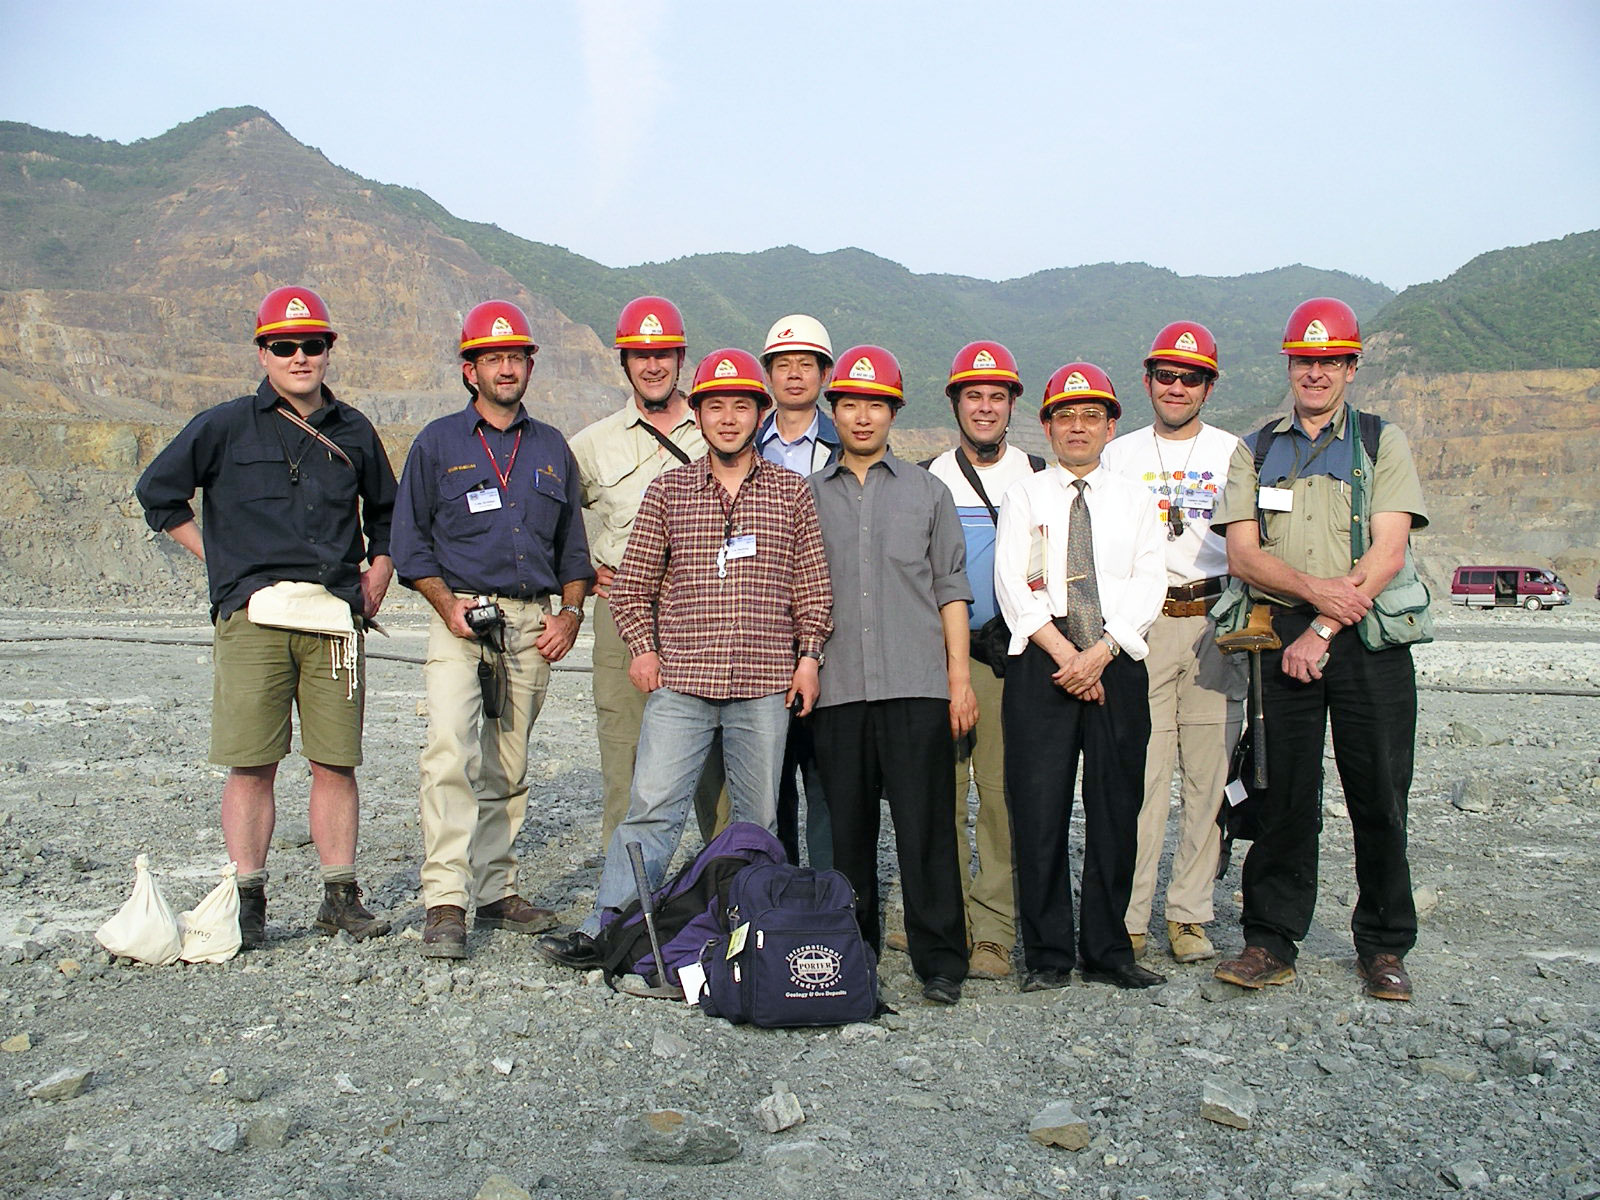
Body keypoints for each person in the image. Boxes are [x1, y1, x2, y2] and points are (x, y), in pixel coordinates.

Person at [537, 349, 831, 969]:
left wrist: (809, 659)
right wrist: (643, 651)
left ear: (760, 413)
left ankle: (748, 936)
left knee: (757, 820)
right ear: (699, 413)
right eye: (716, 405)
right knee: (651, 810)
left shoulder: (791, 493)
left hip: (763, 685)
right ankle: (607, 924)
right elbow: (634, 583)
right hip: (683, 684)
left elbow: (812, 586)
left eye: (742, 406)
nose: (728, 418)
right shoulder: (670, 491)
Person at [135, 286, 395, 949]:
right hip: (253, 615)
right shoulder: (223, 425)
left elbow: (389, 514)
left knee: (336, 762)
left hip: (335, 616)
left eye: (312, 345)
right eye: (285, 346)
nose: (300, 356)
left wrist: (379, 574)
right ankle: (247, 898)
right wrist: (220, 562)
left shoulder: (356, 430)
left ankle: (341, 895)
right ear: (263, 352)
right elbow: (158, 493)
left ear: (328, 350)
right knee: (252, 762)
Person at [1209, 298, 1428, 1002]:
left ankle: (1384, 946)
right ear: (1289, 364)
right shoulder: (1258, 449)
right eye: (1304, 360)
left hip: (1364, 639)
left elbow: (1388, 551)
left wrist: (1327, 624)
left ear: (1351, 366)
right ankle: (1269, 940)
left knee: (1380, 794)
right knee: (1282, 795)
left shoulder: (1378, 441)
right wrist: (1311, 599)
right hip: (1280, 635)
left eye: (1328, 360)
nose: (1315, 372)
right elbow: (1243, 555)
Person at [390, 301, 593, 959]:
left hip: (533, 623)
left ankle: (496, 889)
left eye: (517, 357)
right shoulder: (438, 443)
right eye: (493, 358)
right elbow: (409, 540)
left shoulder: (552, 447)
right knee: (450, 749)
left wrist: (571, 613)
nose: (506, 368)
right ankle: (446, 901)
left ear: (529, 364)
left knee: (509, 760)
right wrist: (446, 605)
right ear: (469, 368)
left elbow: (572, 550)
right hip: (462, 620)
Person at [808, 345, 976, 1006]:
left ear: (893, 412)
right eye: (849, 403)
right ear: (835, 410)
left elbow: (951, 591)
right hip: (839, 687)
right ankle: (853, 952)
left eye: (875, 404)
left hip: (917, 685)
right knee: (848, 831)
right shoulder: (806, 498)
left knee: (926, 827)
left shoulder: (929, 494)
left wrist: (958, 680)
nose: (862, 416)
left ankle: (941, 958)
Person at [994, 362, 1167, 991]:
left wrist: (1102, 652)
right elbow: (1013, 581)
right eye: (1064, 416)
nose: (1077, 427)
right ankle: (1046, 955)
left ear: (1111, 424)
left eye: (1091, 415)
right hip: (1044, 658)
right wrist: (1067, 654)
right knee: (1038, 808)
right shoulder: (1026, 495)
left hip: (1117, 660)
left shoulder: (1136, 498)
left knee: (1116, 806)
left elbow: (1152, 578)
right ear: (1045, 425)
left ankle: (1109, 949)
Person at [1101, 322, 1244, 964]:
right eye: (1167, 375)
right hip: (1145, 624)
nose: (1177, 387)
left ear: (1209, 386)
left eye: (1191, 377)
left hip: (1215, 621)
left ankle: (1189, 913)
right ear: (1148, 380)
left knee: (1208, 776)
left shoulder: (1236, 452)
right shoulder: (1120, 454)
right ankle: (1130, 916)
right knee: (1145, 775)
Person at [570, 297, 727, 852]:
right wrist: (584, 574)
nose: (653, 365)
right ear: (624, 362)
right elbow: (551, 518)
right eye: (641, 355)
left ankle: (730, 898)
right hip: (623, 614)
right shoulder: (593, 444)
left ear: (681, 357)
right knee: (627, 761)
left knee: (719, 771)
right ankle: (623, 911)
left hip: (705, 613)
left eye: (663, 354)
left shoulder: (717, 421)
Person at [923, 341, 1043, 982]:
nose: (986, 407)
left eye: (998, 396)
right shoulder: (927, 476)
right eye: (974, 395)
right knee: (938, 793)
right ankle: (942, 917)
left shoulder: (1039, 475)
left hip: (1011, 661)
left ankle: (994, 930)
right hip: (942, 660)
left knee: (997, 797)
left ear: (1013, 405)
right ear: (956, 403)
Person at [756, 314, 841, 868]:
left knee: (828, 779)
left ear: (824, 374)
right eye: (782, 365)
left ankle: (834, 901)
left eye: (804, 365)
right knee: (766, 780)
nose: (793, 376)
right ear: (767, 375)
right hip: (761, 636)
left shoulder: (849, 444)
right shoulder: (741, 441)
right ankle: (775, 899)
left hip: (829, 638)